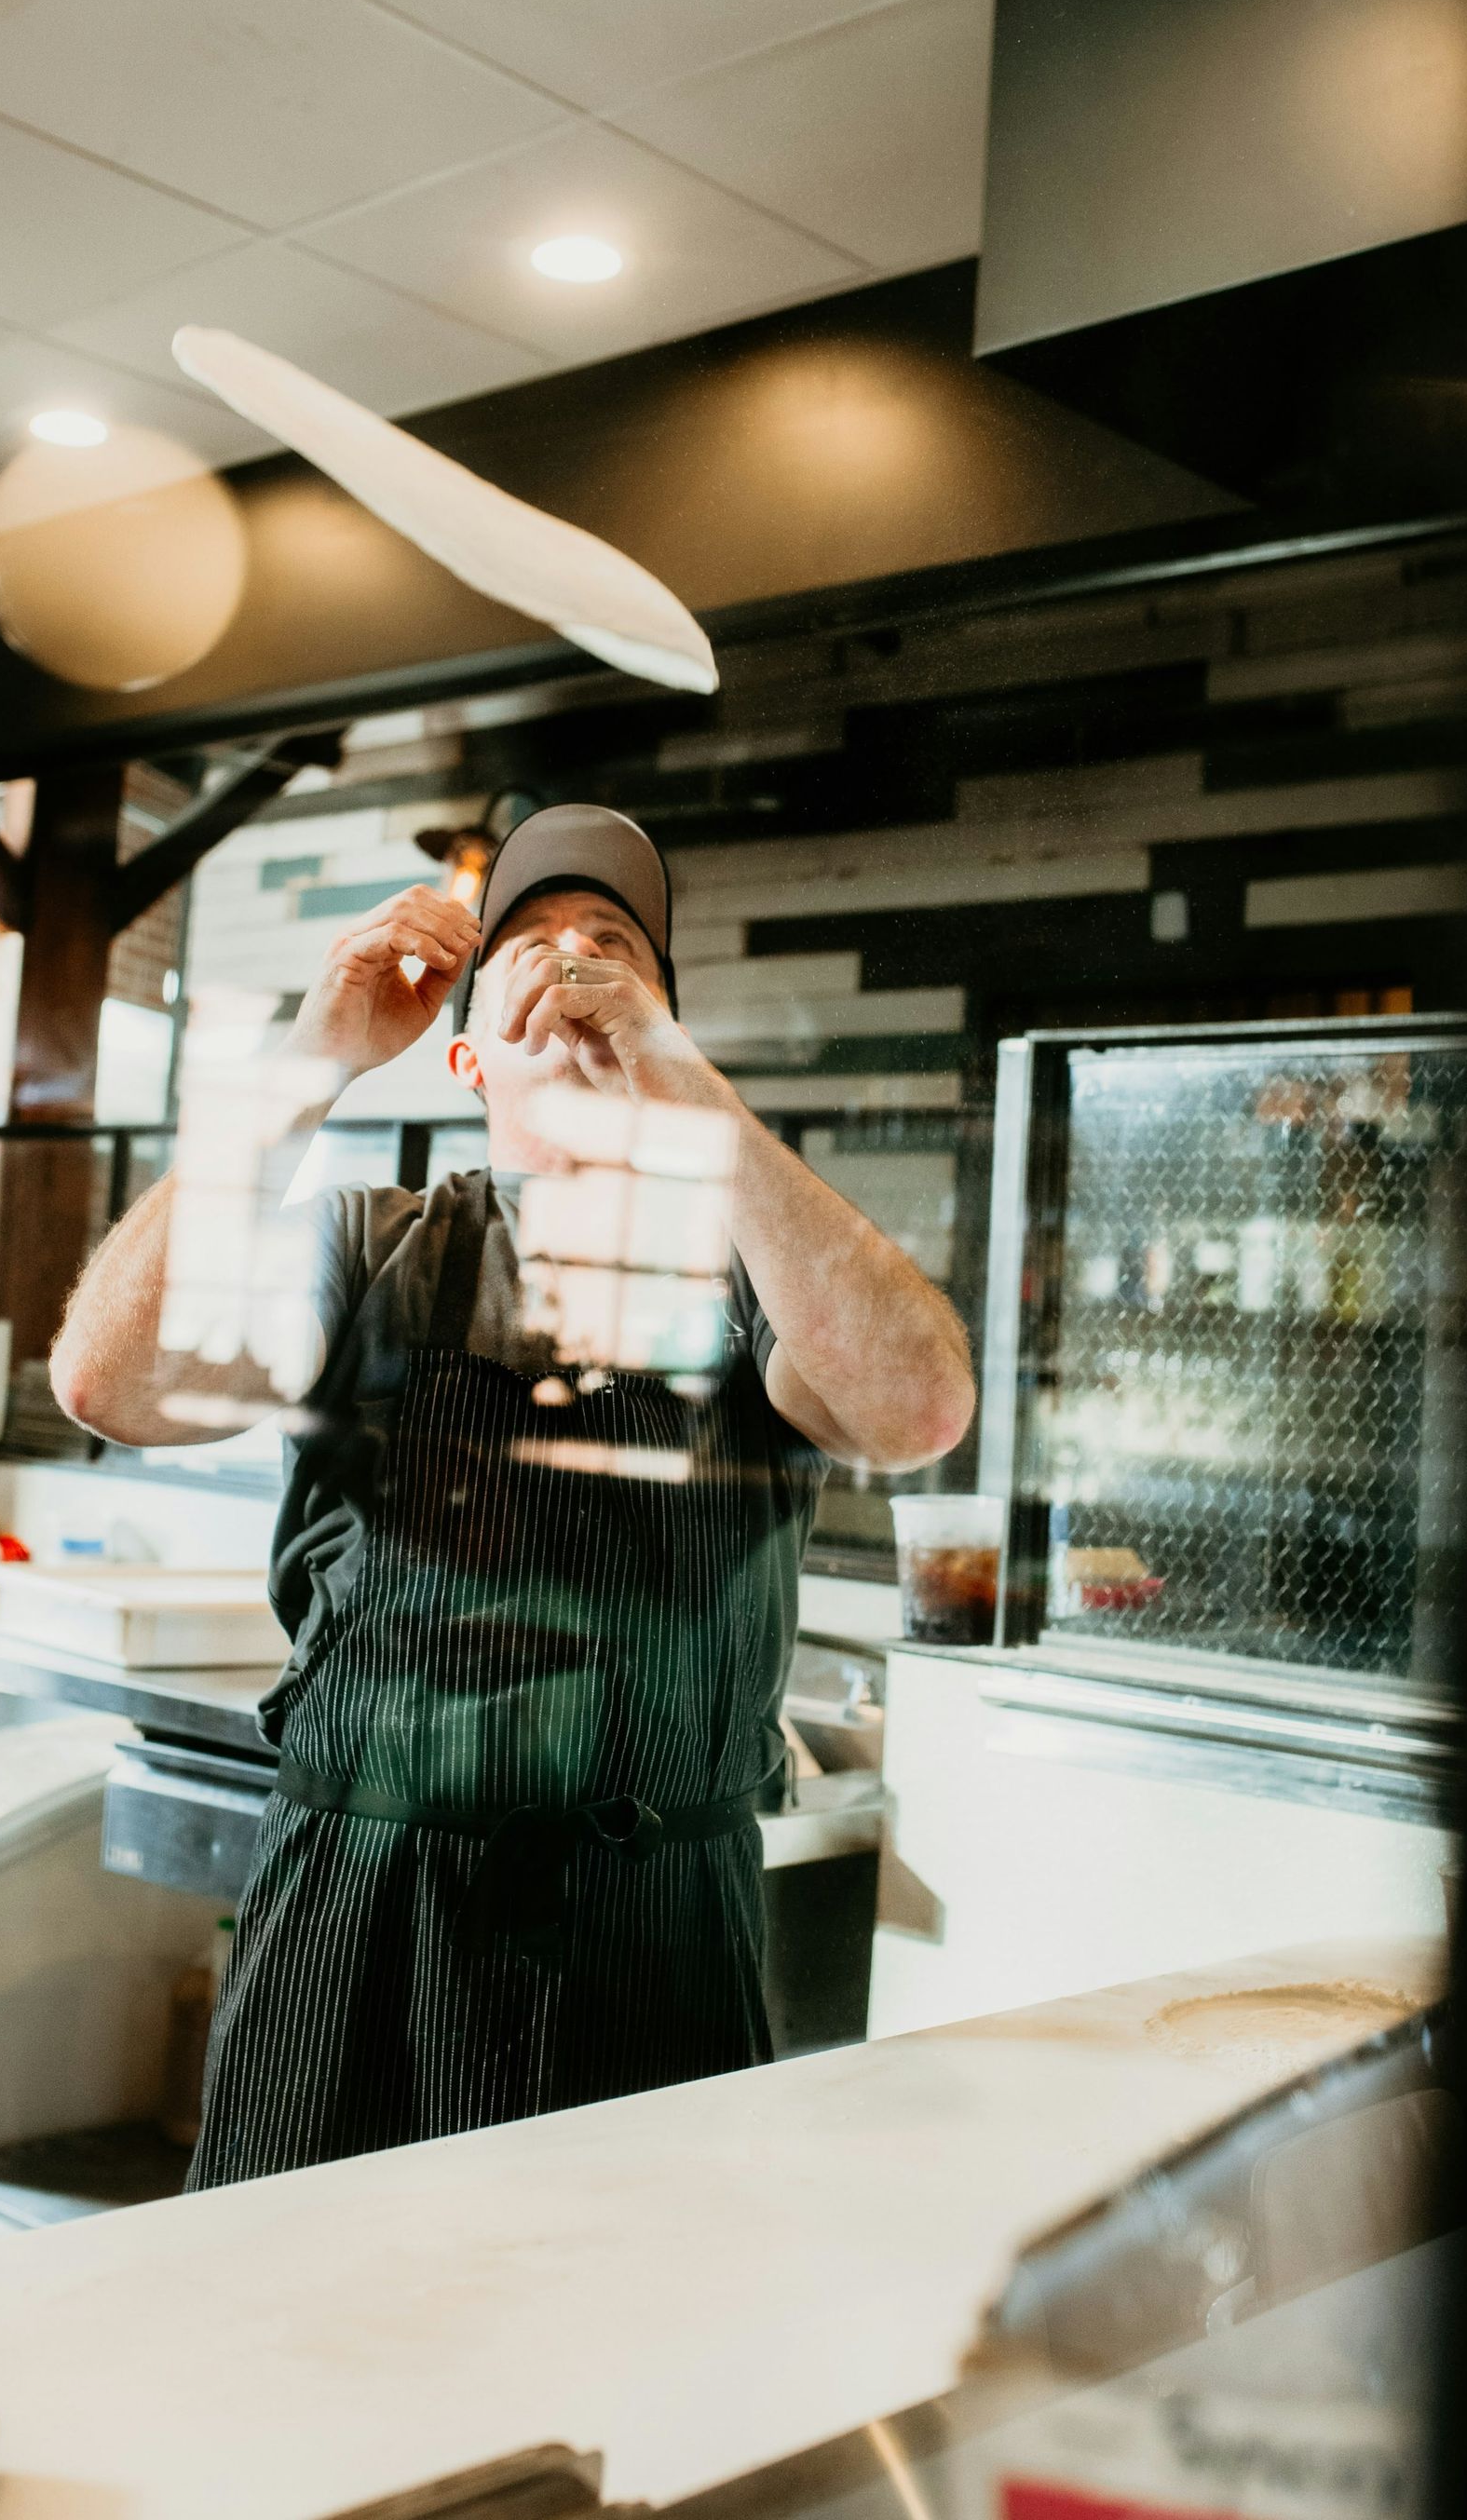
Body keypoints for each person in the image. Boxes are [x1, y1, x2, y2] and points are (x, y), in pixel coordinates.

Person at [50, 804, 974, 2184]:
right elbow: (107, 1381)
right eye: (531, 947)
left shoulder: (749, 1282)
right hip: (356, 1920)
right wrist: (313, 1059)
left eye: (616, 950)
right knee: (285, 2351)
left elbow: (919, 1406)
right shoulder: (373, 1246)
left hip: (655, 1939)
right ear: (468, 1054)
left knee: (630, 2372)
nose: (575, 965)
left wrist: (690, 1095)